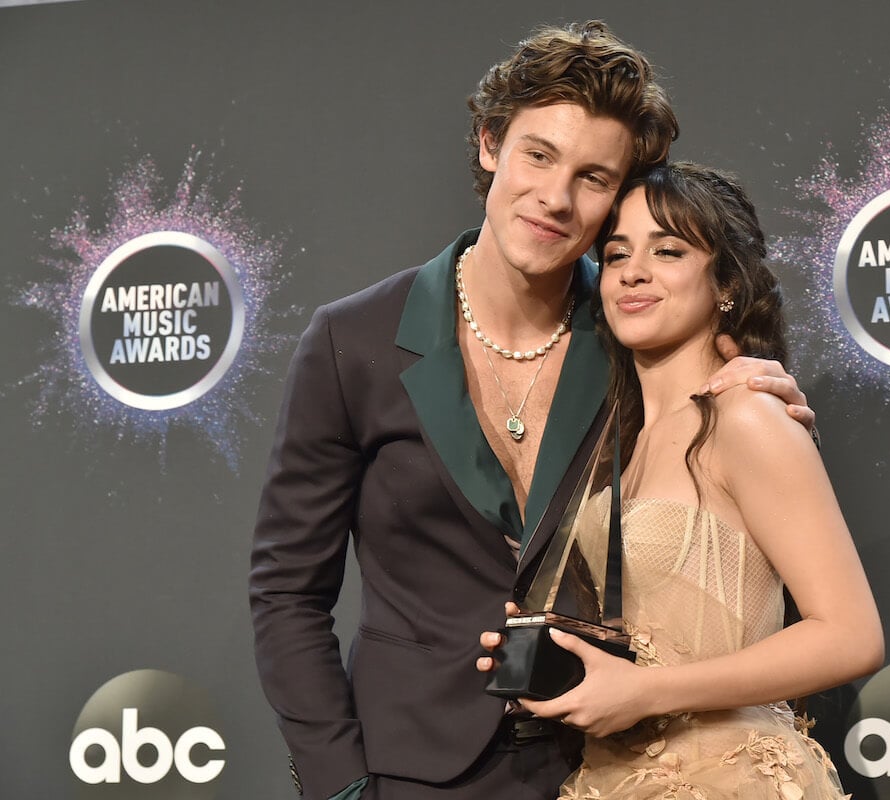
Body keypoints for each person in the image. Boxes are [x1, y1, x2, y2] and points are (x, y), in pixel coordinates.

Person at [249, 22, 815, 800]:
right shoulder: (353, 342)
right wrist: (338, 780)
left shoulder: (635, 335)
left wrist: (759, 383)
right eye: (538, 155)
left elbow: (724, 438)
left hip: (605, 763)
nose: (554, 198)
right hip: (408, 769)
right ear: (490, 144)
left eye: (593, 177)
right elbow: (287, 591)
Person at [480, 162, 884, 799]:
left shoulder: (746, 415)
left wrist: (646, 692)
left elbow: (850, 637)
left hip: (730, 779)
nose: (634, 272)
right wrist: (551, 648)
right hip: (608, 780)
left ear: (725, 282)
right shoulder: (618, 442)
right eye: (616, 255)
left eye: (668, 250)